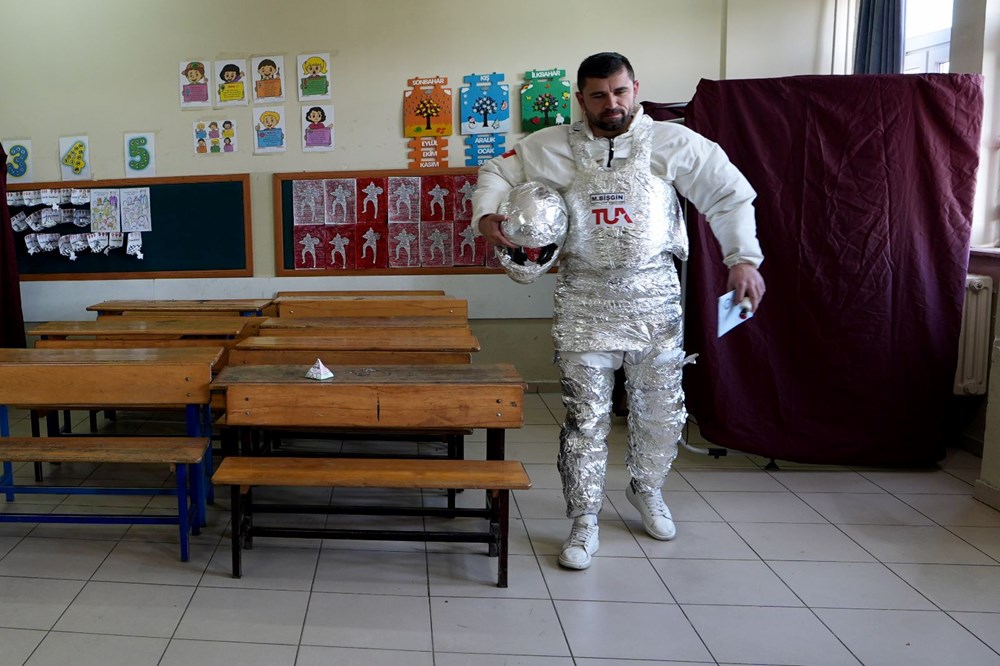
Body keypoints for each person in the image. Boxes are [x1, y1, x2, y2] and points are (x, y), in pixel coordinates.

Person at [472, 52, 765, 570]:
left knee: (659, 413)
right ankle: (583, 519)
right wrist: (489, 213)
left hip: (654, 301)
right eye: (600, 95)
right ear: (580, 99)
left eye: (621, 92)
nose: (613, 103)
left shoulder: (673, 142)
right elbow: (496, 168)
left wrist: (742, 259)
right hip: (584, 299)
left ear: (636, 89)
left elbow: (728, 195)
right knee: (586, 418)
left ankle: (646, 490)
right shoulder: (551, 147)